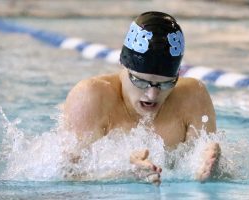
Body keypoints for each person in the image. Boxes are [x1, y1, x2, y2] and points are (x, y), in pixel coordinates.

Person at [64, 11, 220, 185]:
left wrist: (214, 169)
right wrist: (124, 173)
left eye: (166, 84)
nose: (152, 95)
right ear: (123, 64)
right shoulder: (91, 96)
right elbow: (69, 175)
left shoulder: (193, 96)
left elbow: (200, 173)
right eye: (141, 81)